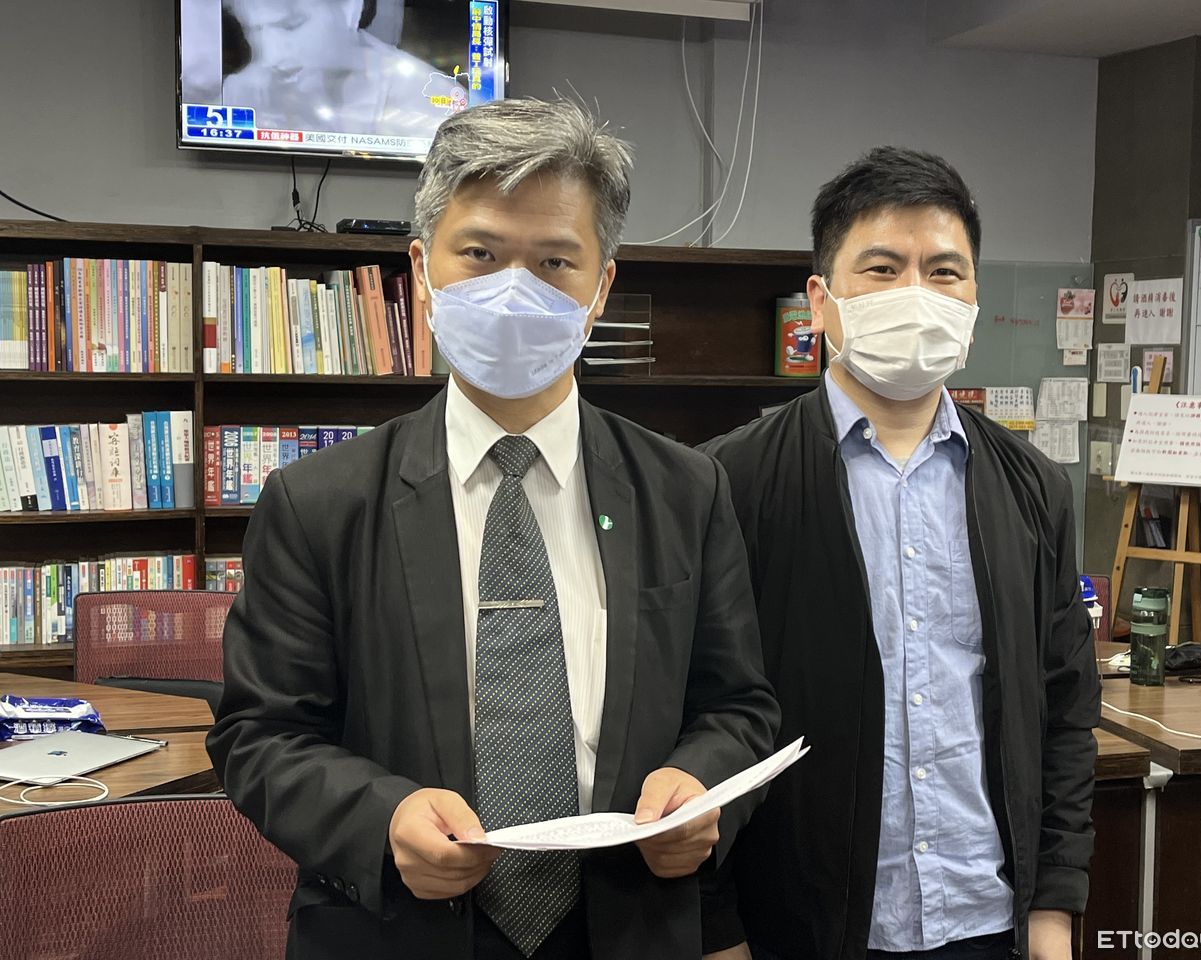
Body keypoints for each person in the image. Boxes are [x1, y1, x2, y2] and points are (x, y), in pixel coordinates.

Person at [208, 98, 779, 960]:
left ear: (602, 286)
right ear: (421, 267)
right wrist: (384, 817)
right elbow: (259, 734)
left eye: (555, 261)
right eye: (480, 254)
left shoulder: (685, 489)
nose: (516, 289)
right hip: (398, 927)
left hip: (625, 920)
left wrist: (702, 787)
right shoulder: (318, 502)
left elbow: (738, 706)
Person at [699, 147, 1101, 960]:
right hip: (804, 925)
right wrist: (717, 930)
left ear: (974, 299)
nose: (917, 293)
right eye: (882, 269)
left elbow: (1064, 711)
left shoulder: (1032, 487)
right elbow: (700, 714)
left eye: (944, 272)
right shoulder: (727, 482)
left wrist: (1054, 910)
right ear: (821, 300)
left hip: (987, 918)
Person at [222, 0, 466, 137]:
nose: (272, 54)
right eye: (255, 29)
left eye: (290, 25)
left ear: (350, 9)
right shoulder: (239, 91)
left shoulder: (437, 100)